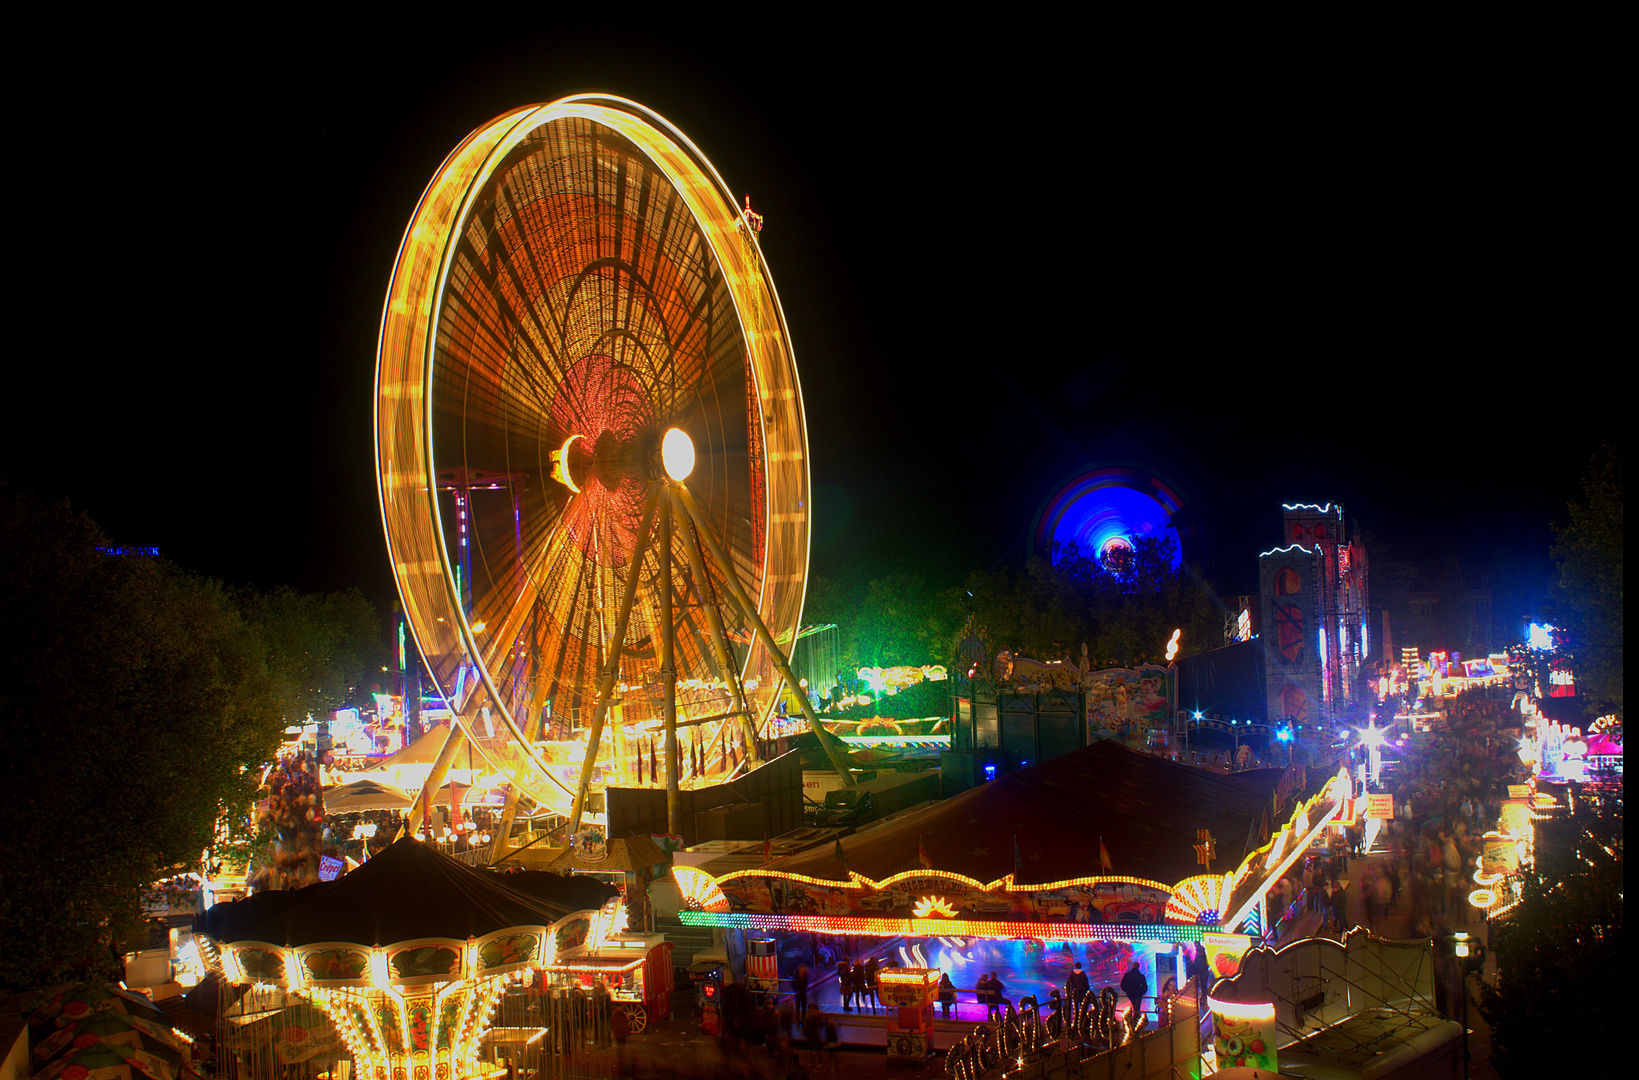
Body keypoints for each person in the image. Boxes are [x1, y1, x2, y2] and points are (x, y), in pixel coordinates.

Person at [802, 1004, 823, 1069]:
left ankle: (818, 1062)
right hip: (810, 1033)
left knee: (816, 1048)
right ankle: (813, 1062)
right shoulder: (808, 1016)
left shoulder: (815, 1017)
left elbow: (818, 1023)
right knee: (811, 1049)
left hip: (814, 1034)